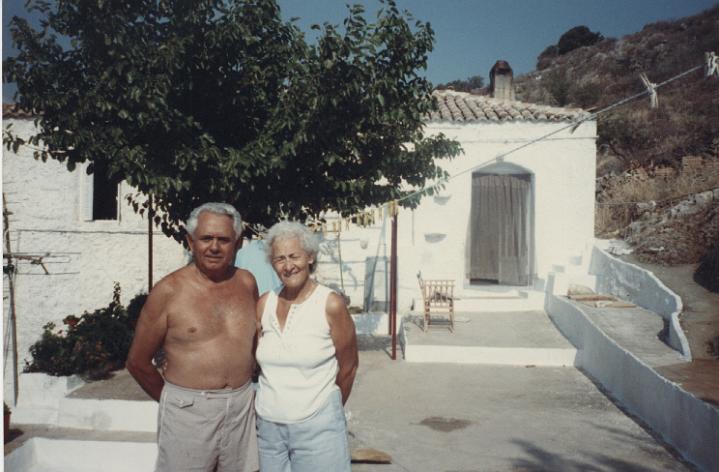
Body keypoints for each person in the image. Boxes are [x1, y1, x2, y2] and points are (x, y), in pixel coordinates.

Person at [126, 202, 259, 472]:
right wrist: (180, 404)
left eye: (223, 239)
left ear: (238, 243)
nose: (214, 247)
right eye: (206, 238)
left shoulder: (247, 283)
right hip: (187, 414)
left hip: (242, 410)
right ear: (190, 241)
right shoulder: (168, 291)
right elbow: (137, 362)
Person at [255, 221, 359, 472]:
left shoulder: (330, 304)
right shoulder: (264, 303)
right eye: (280, 259)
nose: (288, 266)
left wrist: (324, 410)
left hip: (318, 427)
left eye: (294, 256)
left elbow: (349, 367)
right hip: (268, 429)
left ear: (310, 257)